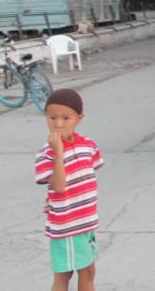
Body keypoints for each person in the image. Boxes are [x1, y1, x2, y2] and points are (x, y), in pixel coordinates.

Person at [35, 89, 103, 291]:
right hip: (67, 226)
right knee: (66, 274)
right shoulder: (47, 153)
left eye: (66, 118)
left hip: (85, 222)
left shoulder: (88, 145)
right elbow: (58, 186)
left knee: (87, 272)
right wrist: (58, 151)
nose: (58, 124)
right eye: (52, 118)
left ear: (79, 118)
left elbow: (85, 177)